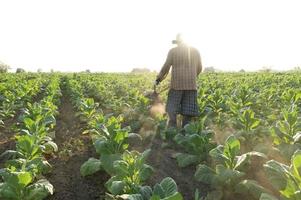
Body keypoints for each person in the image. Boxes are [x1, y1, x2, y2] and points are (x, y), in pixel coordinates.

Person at [155, 34, 202, 128]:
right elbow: (200, 67)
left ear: (177, 42)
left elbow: (166, 68)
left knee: (172, 112)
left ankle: (172, 134)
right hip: (191, 87)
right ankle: (186, 134)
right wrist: (192, 76)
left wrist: (159, 79)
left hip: (176, 87)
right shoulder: (195, 51)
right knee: (188, 114)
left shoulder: (173, 51)